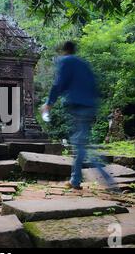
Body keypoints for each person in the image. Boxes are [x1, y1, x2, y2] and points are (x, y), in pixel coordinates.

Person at [42, 41, 114, 190]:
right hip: (90, 105)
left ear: (65, 51)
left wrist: (49, 103)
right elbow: (94, 84)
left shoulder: (66, 61)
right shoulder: (84, 64)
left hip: (78, 105)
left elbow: (59, 84)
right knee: (80, 141)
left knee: (80, 144)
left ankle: (102, 178)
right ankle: (76, 178)